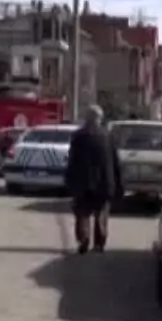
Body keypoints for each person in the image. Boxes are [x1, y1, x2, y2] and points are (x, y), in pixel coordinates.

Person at [64, 105, 122, 254]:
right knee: (101, 214)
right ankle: (99, 243)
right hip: (104, 182)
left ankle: (84, 239)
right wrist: (118, 183)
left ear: (87, 118)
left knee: (82, 214)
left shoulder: (78, 136)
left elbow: (72, 160)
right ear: (100, 119)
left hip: (83, 183)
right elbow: (115, 161)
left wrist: (69, 180)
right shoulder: (108, 136)